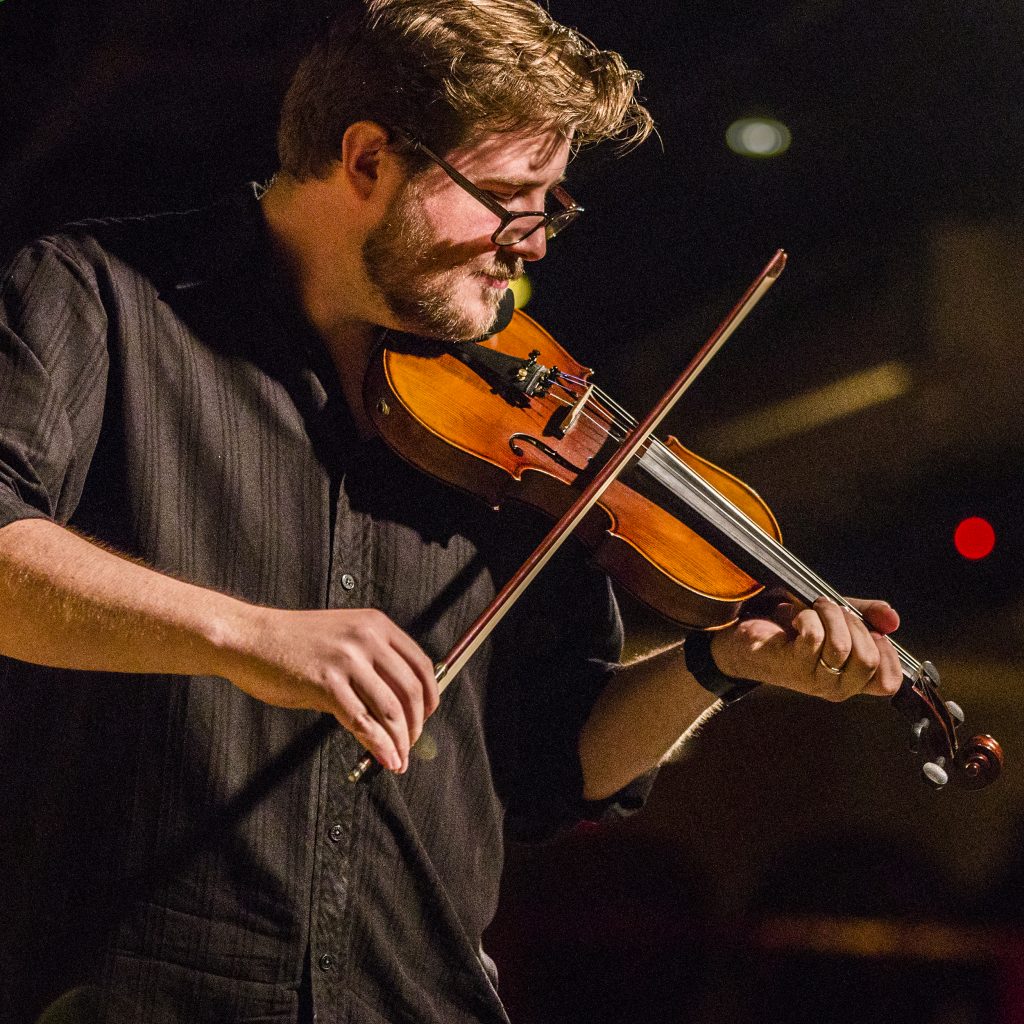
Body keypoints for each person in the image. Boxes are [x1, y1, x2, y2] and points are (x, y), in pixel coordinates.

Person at [0, 2, 903, 1022]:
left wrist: (718, 664)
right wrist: (245, 634)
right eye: (509, 197)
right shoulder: (97, 296)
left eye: (551, 206)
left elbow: (547, 764)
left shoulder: (515, 409)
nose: (534, 244)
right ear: (368, 159)